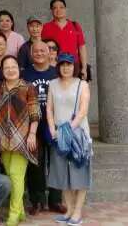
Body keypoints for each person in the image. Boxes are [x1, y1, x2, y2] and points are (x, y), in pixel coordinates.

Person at [0, 56, 40, 226]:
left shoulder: (28, 87)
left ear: (19, 68)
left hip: (22, 138)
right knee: (10, 175)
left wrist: (32, 134)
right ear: (2, 70)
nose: (10, 70)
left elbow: (35, 112)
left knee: (16, 176)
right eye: (6, 67)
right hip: (3, 139)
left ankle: (14, 213)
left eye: (13, 66)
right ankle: (20, 209)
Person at [47, 53, 92, 226]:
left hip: (78, 135)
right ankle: (69, 209)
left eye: (69, 65)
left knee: (80, 173)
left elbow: (83, 111)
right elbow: (49, 109)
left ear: (75, 66)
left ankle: (78, 212)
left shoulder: (82, 84)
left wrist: (67, 129)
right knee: (62, 174)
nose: (66, 68)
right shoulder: (53, 84)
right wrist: (52, 129)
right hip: (59, 135)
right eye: (62, 65)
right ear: (58, 66)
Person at [20, 40, 64, 216]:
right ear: (31, 54)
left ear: (49, 52)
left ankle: (55, 200)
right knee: (35, 164)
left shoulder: (56, 73)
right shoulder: (25, 74)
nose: (39, 53)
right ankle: (37, 200)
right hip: (33, 125)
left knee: (56, 163)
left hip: (54, 125)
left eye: (42, 51)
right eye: (35, 51)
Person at [41, 0, 89, 80]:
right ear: (51, 10)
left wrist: (84, 68)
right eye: (55, 8)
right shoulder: (45, 27)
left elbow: (82, 47)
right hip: (54, 67)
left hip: (73, 66)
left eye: (61, 7)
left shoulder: (75, 26)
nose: (58, 10)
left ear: (66, 9)